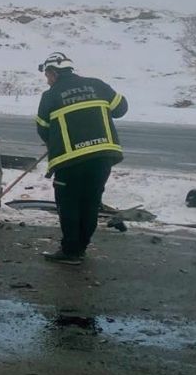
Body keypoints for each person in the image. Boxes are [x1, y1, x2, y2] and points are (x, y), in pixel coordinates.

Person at [34, 52, 128, 265]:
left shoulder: (50, 96)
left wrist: (56, 140)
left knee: (69, 205)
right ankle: (81, 248)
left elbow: (43, 129)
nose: (47, 80)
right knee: (90, 203)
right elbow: (121, 109)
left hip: (70, 161)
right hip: (102, 158)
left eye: (47, 75)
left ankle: (70, 251)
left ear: (53, 73)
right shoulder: (97, 85)